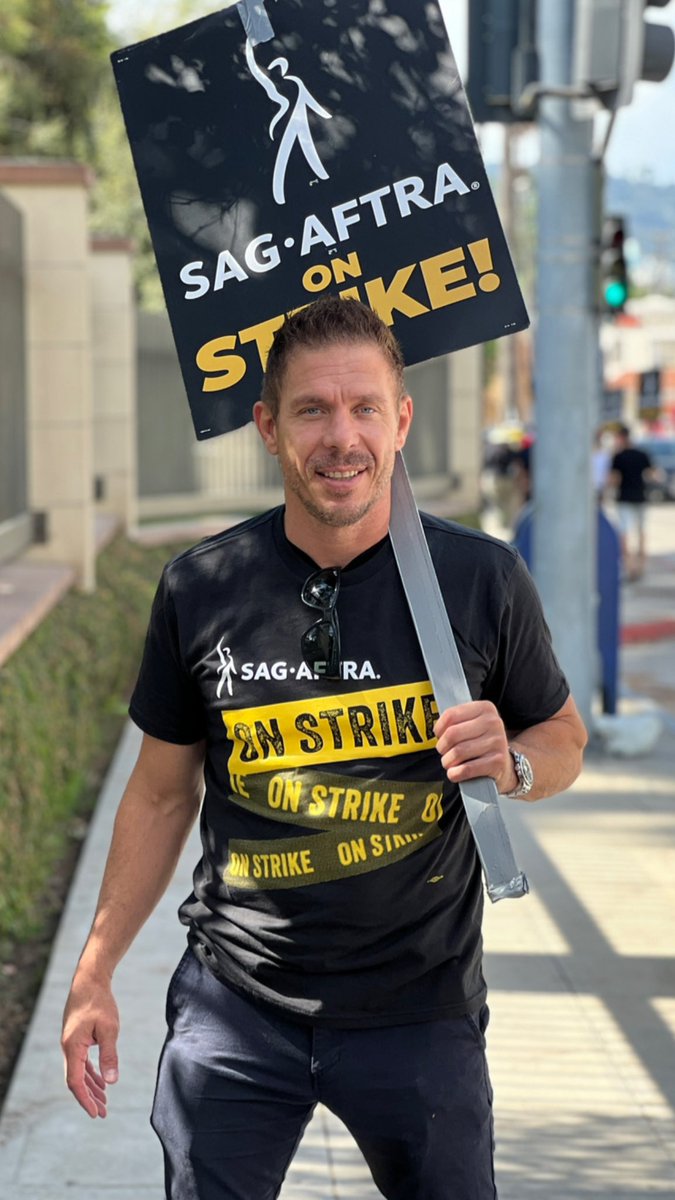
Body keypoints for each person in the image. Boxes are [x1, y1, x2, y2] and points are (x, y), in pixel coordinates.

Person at [61, 297, 587, 1200]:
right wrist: (94, 970)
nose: (341, 437)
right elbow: (158, 794)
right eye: (311, 409)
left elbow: (562, 736)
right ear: (268, 427)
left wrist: (514, 764)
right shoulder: (202, 586)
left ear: (400, 421)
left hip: (419, 1008)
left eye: (363, 408)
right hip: (236, 1003)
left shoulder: (478, 578)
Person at [610, 423, 653, 580]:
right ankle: (641, 567)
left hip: (624, 498)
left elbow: (614, 479)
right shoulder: (642, 454)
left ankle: (629, 567)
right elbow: (652, 474)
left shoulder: (618, 457)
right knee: (641, 532)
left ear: (621, 438)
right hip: (640, 497)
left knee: (624, 534)